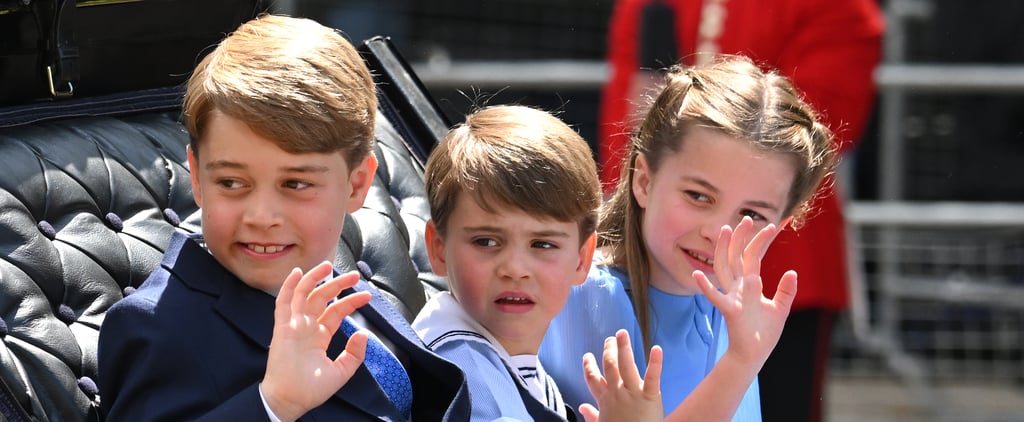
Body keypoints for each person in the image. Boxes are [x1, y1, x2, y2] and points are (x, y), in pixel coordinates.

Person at [96, 15, 470, 421]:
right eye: (232, 182)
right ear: (197, 176)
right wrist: (272, 405)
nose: (262, 216)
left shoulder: (339, 285)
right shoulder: (157, 327)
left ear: (357, 184)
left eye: (295, 184)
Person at [595, 2, 883, 421]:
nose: (717, 230)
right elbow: (629, 113)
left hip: (777, 267)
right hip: (653, 241)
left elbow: (814, 128)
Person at [540, 55, 839, 421]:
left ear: (781, 225)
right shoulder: (578, 295)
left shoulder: (737, 319)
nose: (716, 232)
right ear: (644, 181)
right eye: (699, 196)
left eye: (751, 215)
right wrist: (740, 363)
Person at [411, 104, 606, 421]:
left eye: (543, 244)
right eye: (486, 242)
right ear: (438, 248)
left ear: (582, 259)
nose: (515, 269)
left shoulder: (509, 361)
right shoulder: (460, 372)